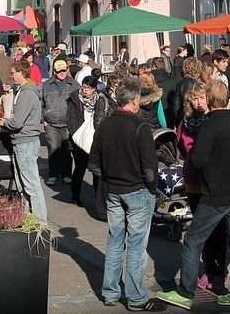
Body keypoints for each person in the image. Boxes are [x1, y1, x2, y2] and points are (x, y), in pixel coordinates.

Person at [157, 80, 230, 311]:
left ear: (209, 100)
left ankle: (186, 292)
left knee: (193, 240)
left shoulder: (209, 126)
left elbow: (198, 159)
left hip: (217, 193)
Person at [88, 77, 166, 311]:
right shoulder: (140, 127)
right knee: (136, 245)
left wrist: (111, 177)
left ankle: (110, 293)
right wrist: (150, 189)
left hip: (113, 190)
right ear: (134, 101)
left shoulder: (105, 126)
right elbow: (150, 170)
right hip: (137, 190)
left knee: (114, 241)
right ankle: (136, 296)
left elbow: (94, 164)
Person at [176, 81, 229, 294]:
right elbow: (184, 147)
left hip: (214, 182)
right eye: (194, 98)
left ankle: (219, 272)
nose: (198, 102)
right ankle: (209, 269)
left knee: (219, 230)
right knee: (201, 230)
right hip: (194, 181)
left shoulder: (214, 121)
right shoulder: (186, 122)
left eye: (202, 97)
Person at [0, 60, 47, 223]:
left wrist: (6, 123)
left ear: (21, 73)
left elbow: (18, 122)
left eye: (13, 73)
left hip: (25, 141)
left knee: (31, 185)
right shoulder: (24, 91)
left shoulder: (26, 93)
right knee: (23, 185)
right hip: (24, 141)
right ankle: (28, 217)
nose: (11, 76)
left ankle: (41, 222)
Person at [67, 76, 108, 208]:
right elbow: (71, 119)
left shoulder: (100, 101)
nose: (85, 90)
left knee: (96, 171)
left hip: (95, 141)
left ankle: (98, 199)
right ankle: (75, 195)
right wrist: (77, 136)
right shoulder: (75, 99)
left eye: (89, 88)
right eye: (84, 87)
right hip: (79, 141)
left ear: (94, 89)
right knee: (80, 168)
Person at [42, 59, 80, 187]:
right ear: (54, 71)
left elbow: (79, 105)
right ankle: (53, 174)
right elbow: (41, 103)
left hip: (67, 124)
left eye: (64, 70)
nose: (62, 73)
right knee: (53, 150)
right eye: (59, 71)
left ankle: (66, 174)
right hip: (51, 124)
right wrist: (43, 119)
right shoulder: (47, 84)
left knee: (66, 150)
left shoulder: (74, 84)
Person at [172, 57, 203, 128]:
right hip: (201, 116)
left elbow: (176, 105)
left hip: (185, 118)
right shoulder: (202, 83)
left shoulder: (181, 84)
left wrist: (177, 120)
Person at [150, 57, 176, 128]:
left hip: (152, 118)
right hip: (169, 114)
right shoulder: (172, 81)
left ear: (153, 66)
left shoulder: (148, 82)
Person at [0, 44, 15, 118]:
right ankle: (7, 127)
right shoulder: (11, 60)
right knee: (8, 111)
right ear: (4, 51)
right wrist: (10, 85)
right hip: (8, 87)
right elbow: (14, 74)